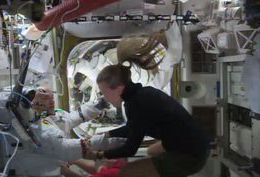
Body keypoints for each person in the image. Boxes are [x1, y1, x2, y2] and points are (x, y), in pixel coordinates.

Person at [84, 33, 211, 177]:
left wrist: (98, 155)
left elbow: (130, 149)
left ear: (119, 89)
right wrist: (108, 134)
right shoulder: (142, 94)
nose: (105, 98)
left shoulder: (136, 105)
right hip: (196, 143)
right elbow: (134, 127)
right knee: (151, 151)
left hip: (190, 154)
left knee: (127, 172)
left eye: (105, 93)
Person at [8, 86, 126, 177]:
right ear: (34, 103)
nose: (51, 101)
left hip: (59, 162)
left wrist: (98, 105)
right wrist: (111, 142)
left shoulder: (56, 115)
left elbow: (75, 117)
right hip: (45, 169)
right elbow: (64, 148)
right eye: (45, 98)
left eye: (52, 97)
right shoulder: (39, 127)